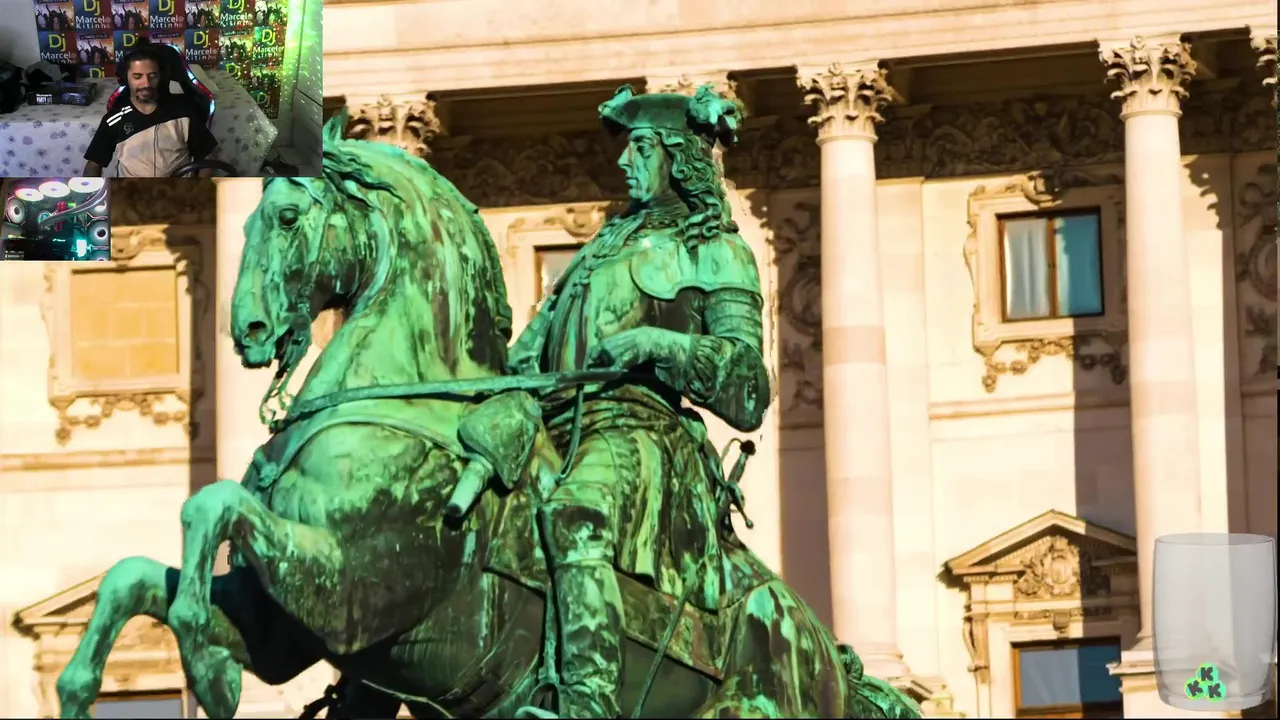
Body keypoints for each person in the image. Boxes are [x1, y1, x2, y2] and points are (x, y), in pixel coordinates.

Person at [507, 84, 771, 718]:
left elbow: (749, 389)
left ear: (678, 157)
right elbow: (527, 354)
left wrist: (659, 344)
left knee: (575, 513)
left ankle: (589, 700)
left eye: (641, 148)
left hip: (640, 432)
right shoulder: (595, 255)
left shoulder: (716, 251)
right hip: (550, 425)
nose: (624, 161)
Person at [82, 44, 219, 178]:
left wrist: (199, 188)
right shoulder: (114, 120)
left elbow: (208, 157)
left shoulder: (184, 112)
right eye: (137, 77)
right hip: (132, 191)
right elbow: (93, 166)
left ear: (161, 77)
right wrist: (93, 190)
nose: (146, 84)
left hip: (179, 190)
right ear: (126, 78)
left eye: (152, 76)